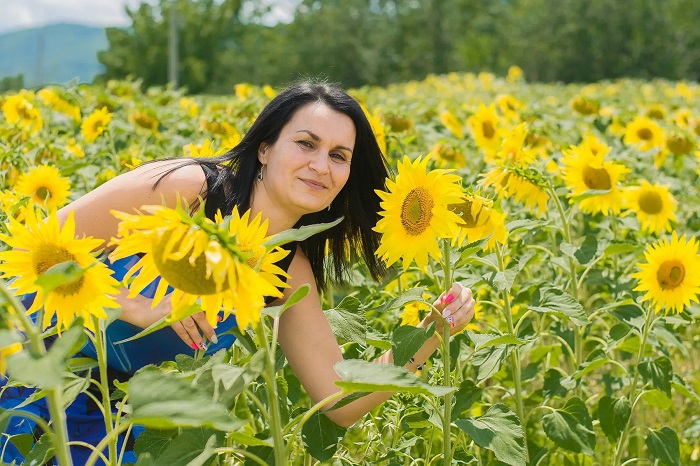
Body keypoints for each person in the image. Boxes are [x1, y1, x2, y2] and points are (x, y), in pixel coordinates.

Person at [0, 81, 476, 463]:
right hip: (27, 374)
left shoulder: (287, 269)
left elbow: (338, 402)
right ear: (265, 149)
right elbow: (40, 250)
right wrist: (139, 308)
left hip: (117, 424)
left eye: (338, 155)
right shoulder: (187, 190)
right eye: (306, 143)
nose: (320, 165)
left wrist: (430, 335)